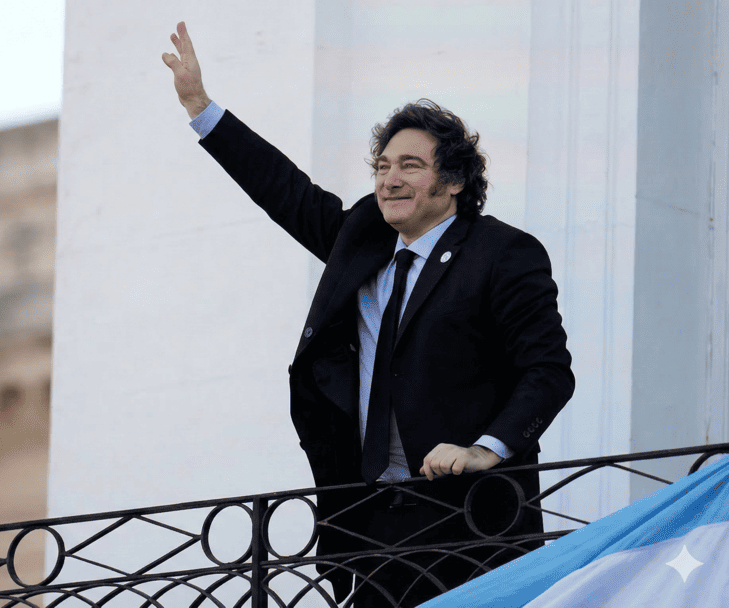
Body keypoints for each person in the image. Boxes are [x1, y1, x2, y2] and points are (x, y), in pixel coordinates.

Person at [162, 21, 575, 607]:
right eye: (381, 167)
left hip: (472, 520)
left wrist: (486, 449)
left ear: (454, 180)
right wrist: (201, 107)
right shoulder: (362, 242)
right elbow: (285, 191)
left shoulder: (503, 253)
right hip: (371, 521)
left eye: (410, 165)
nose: (390, 180)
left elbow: (548, 372)